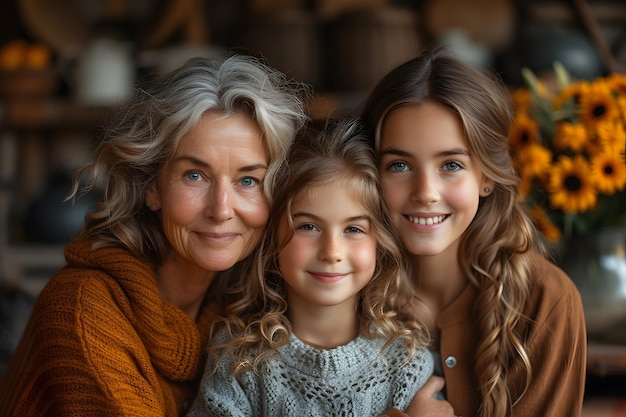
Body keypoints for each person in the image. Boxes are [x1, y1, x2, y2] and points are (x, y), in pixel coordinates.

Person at [0, 54, 309, 416]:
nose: (221, 209)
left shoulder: (244, 308)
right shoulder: (84, 310)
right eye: (195, 175)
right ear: (152, 187)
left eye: (248, 180)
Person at [360, 49, 587, 417]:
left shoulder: (545, 302)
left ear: (485, 177)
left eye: (451, 164)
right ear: (370, 173)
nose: (425, 192)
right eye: (399, 165)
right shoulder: (339, 286)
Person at [186, 117, 438, 417]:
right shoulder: (239, 358)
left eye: (354, 229)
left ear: (379, 244)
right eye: (308, 226)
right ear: (273, 238)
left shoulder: (406, 362)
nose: (332, 252)